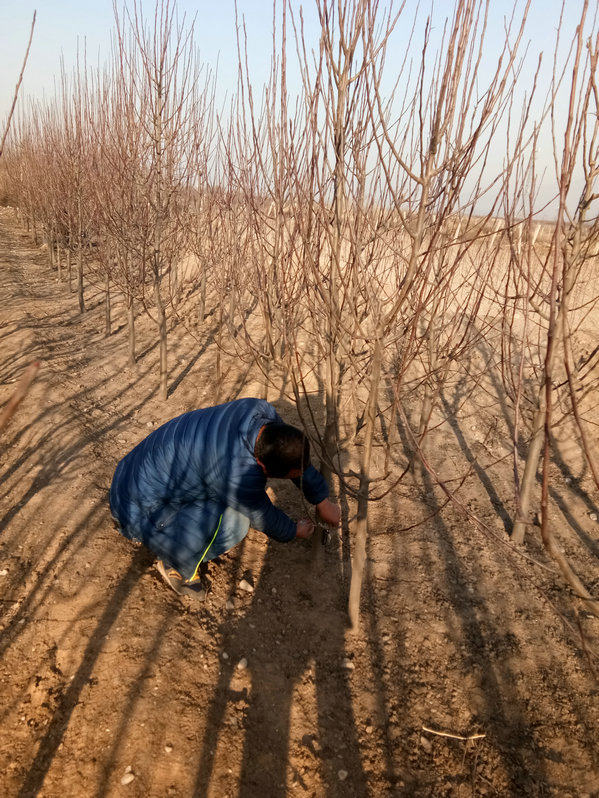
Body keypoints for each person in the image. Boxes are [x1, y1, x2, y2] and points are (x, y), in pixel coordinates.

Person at [109, 397, 341, 597]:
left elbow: (291, 451)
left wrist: (321, 500)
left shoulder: (260, 412)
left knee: (226, 503)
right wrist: (293, 531)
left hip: (133, 474)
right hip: (137, 509)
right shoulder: (234, 472)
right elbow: (263, 515)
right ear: (263, 465)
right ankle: (175, 565)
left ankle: (178, 537)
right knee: (236, 523)